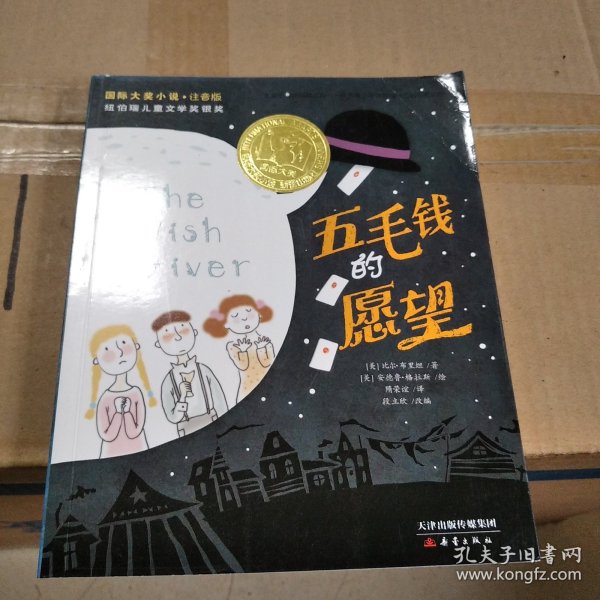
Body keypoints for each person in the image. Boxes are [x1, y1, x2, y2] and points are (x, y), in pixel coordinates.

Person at [152, 310, 228, 437]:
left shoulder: (203, 369)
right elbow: (172, 417)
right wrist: (182, 397)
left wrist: (225, 425)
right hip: (186, 430)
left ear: (194, 332)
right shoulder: (168, 380)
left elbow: (219, 400)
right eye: (168, 335)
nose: (177, 337)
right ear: (158, 344)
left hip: (212, 420)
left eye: (183, 330)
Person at [88, 324, 156, 459]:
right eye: (107, 349)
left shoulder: (136, 393)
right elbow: (106, 435)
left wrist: (126, 411)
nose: (119, 352)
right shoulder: (105, 398)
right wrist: (119, 413)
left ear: (136, 346)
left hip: (139, 449)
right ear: (97, 360)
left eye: (123, 344)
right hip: (111, 454)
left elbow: (134, 432)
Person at [203, 295, 275, 403]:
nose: (244, 319)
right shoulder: (233, 346)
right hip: (248, 387)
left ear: (259, 315)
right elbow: (243, 366)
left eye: (249, 314)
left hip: (271, 385)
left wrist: (261, 348)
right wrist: (243, 351)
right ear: (226, 324)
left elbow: (268, 363)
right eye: (236, 318)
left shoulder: (265, 340)